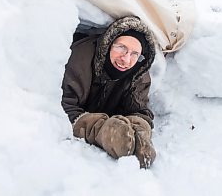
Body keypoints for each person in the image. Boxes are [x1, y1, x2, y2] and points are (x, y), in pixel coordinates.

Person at [61, 15, 157, 168]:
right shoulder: (80, 59)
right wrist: (101, 130)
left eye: (134, 54)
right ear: (108, 44)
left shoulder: (138, 72)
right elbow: (64, 107)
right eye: (121, 47)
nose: (126, 59)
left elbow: (140, 110)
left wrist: (140, 130)